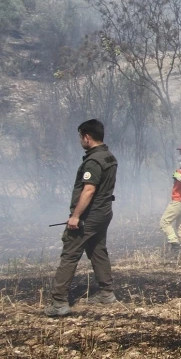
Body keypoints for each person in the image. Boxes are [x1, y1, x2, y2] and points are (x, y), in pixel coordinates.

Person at [45, 119, 118, 317]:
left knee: (69, 254)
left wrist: (75, 216)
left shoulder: (93, 161)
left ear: (87, 137)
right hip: (104, 212)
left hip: (90, 215)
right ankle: (106, 293)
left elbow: (89, 190)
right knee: (97, 250)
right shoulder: (108, 156)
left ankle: (59, 302)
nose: (80, 141)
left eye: (80, 137)